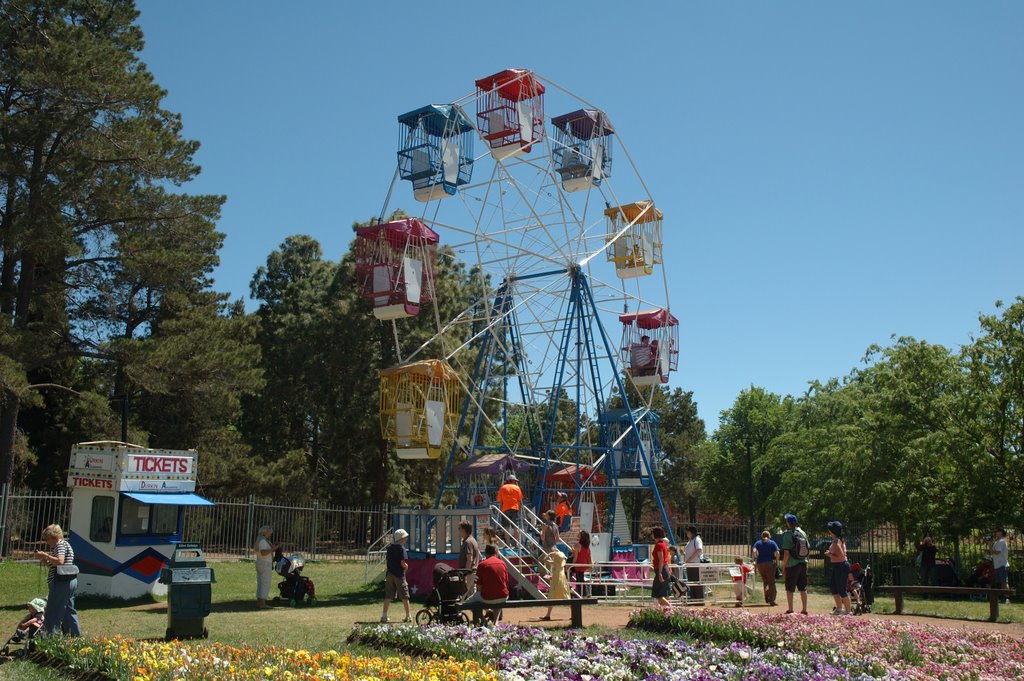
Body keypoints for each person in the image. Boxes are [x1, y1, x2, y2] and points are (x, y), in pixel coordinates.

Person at [35, 524, 81, 636]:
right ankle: (75, 637)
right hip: (70, 581)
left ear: (53, 537)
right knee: (69, 611)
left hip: (61, 582)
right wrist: (47, 561)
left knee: (53, 611)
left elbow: (60, 561)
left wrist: (45, 555)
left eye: (47, 539)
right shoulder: (66, 545)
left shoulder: (59, 545)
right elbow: (61, 565)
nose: (47, 542)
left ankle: (50, 638)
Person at [464, 544, 509, 624]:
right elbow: (506, 582)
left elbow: (479, 587)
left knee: (468, 602)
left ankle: (484, 620)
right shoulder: (503, 563)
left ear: (485, 553)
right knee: (498, 597)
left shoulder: (482, 565)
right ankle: (495, 622)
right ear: (496, 552)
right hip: (503, 596)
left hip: (487, 598)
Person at [779, 513, 808, 615]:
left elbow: (786, 553)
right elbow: (807, 549)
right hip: (803, 563)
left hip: (792, 565)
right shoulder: (802, 532)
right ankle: (804, 610)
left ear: (788, 523)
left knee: (790, 588)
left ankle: (791, 609)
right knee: (803, 588)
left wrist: (783, 567)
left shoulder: (787, 534)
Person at [380, 528, 411, 623]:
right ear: (401, 539)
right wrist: (406, 567)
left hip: (389, 574)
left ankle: (384, 616)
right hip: (399, 575)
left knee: (388, 596)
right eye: (405, 538)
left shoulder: (389, 548)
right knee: (405, 596)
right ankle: (408, 616)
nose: (406, 539)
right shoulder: (402, 549)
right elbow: (402, 563)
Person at [825, 521, 852, 615]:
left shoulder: (837, 541)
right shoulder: (837, 540)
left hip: (841, 565)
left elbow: (841, 557)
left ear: (832, 531)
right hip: (837, 566)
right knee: (834, 587)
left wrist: (829, 554)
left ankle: (848, 611)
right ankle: (839, 608)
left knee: (841, 589)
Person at [751, 530, 780, 606]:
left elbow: (754, 551)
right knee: (771, 582)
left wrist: (754, 560)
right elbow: (777, 552)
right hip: (769, 563)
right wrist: (777, 561)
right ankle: (772, 600)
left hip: (760, 563)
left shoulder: (758, 543)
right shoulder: (772, 542)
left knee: (765, 581)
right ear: (769, 536)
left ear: (762, 536)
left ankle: (766, 596)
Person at [254, 525, 280, 609]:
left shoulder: (261, 539)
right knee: (265, 583)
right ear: (265, 532)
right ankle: (262, 603)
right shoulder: (262, 541)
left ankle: (260, 601)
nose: (270, 535)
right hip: (264, 563)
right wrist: (273, 549)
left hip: (261, 562)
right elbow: (263, 552)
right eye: (269, 533)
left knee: (261, 582)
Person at [542, 548, 570, 620]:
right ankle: (548, 615)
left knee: (555, 596)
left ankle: (548, 615)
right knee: (563, 596)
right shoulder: (560, 563)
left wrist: (549, 554)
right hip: (558, 581)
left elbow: (544, 560)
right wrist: (553, 553)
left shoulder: (556, 563)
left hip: (557, 581)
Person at [496, 472, 523, 539]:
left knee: (506, 527)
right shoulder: (517, 488)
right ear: (513, 481)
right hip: (515, 508)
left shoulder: (502, 488)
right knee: (515, 526)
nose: (516, 482)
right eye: (515, 481)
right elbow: (520, 499)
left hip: (505, 509)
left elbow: (499, 500)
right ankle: (517, 544)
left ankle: (508, 544)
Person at [458, 521, 481, 598]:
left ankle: (456, 610)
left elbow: (469, 559)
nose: (459, 531)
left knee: (461, 595)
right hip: (473, 571)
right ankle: (485, 610)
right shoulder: (473, 540)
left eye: (459, 529)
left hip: (469, 572)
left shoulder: (468, 542)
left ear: (464, 530)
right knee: (472, 596)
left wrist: (465, 574)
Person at [650, 527, 672, 607]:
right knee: (665, 594)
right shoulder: (663, 544)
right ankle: (668, 613)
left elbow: (661, 560)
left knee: (658, 594)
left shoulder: (659, 545)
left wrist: (659, 573)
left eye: (652, 533)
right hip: (664, 569)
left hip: (661, 570)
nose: (651, 535)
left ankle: (672, 609)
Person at [683, 524, 705, 600]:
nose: (686, 533)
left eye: (688, 531)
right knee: (691, 582)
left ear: (691, 532)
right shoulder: (691, 540)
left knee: (696, 582)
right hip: (690, 564)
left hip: (695, 563)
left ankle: (699, 599)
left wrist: (690, 559)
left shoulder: (697, 539)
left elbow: (699, 550)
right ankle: (694, 598)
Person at [990, 527, 1010, 603]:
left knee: (1004, 582)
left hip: (1002, 564)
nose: (996, 532)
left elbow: (997, 552)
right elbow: (992, 552)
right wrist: (990, 544)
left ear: (1001, 532)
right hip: (997, 565)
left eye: (997, 531)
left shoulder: (1001, 541)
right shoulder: (997, 542)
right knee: (1001, 582)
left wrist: (992, 548)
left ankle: (1007, 598)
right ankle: (1003, 597)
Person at [573, 530, 592, 595]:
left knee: (579, 581)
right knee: (581, 579)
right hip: (584, 565)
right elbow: (589, 557)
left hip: (578, 565)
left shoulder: (578, 545)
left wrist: (572, 564)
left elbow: (575, 558)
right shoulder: (587, 547)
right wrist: (590, 565)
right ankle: (584, 593)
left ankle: (583, 594)